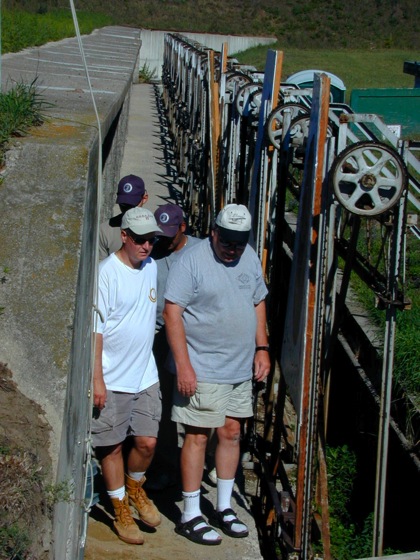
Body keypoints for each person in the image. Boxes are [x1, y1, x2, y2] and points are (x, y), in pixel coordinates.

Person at [162, 203, 271, 546]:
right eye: (227, 241)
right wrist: (184, 365)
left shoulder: (249, 257)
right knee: (197, 435)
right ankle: (191, 513)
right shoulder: (190, 261)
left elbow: (258, 301)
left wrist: (262, 348)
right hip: (203, 366)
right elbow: (172, 312)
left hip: (239, 366)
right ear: (213, 233)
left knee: (232, 431)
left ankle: (223, 507)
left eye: (239, 242)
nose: (232, 248)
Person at [92, 206, 163, 545]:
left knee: (147, 442)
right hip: (112, 376)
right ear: (124, 236)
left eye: (151, 240)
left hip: (144, 373)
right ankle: (119, 505)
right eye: (139, 240)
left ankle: (135, 486)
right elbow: (96, 330)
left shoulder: (152, 268)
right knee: (112, 445)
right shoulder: (106, 273)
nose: (146, 246)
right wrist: (97, 379)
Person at [147, 203, 201, 487]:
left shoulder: (202, 251)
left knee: (202, 402)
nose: (163, 241)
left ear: (183, 227)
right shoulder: (151, 252)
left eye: (169, 234)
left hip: (196, 339)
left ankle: (206, 463)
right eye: (160, 234)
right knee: (163, 405)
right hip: (160, 337)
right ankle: (166, 464)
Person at [98, 174, 149, 261]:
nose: (128, 211)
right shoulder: (105, 230)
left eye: (132, 206)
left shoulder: (153, 229)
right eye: (123, 205)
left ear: (144, 198)